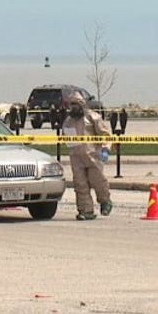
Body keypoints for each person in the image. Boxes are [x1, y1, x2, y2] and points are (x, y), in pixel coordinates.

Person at [62, 92, 112, 220]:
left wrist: (105, 149)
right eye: (71, 104)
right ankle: (86, 210)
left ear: (82, 104)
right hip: (76, 157)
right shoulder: (68, 121)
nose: (73, 107)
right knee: (80, 185)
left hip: (93, 156)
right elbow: (67, 138)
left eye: (75, 104)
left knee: (98, 181)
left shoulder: (93, 118)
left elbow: (105, 135)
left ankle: (105, 201)